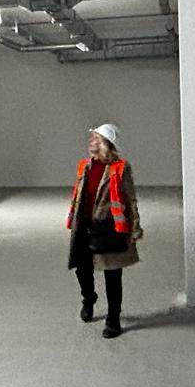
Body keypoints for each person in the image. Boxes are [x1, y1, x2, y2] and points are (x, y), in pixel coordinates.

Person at [66, 122, 142, 338]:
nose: (91, 141)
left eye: (96, 138)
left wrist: (135, 227)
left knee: (112, 274)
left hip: (109, 228)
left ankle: (113, 318)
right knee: (82, 269)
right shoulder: (84, 166)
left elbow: (130, 198)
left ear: (106, 144)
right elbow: (79, 195)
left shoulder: (120, 168)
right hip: (84, 226)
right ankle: (88, 298)